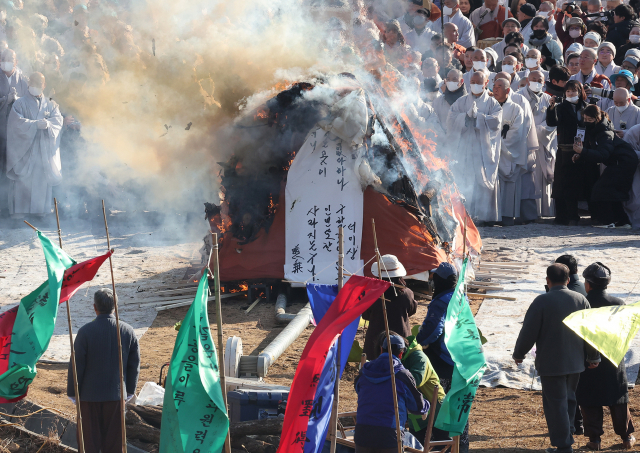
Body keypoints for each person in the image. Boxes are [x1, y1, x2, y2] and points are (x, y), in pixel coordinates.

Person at [513, 263, 600, 453]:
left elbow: (528, 332)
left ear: (547, 280)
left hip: (551, 364)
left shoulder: (541, 301)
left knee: (556, 405)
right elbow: (590, 331)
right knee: (569, 400)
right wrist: (594, 356)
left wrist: (519, 353)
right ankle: (566, 438)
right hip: (576, 363)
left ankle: (563, 446)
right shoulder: (581, 299)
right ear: (568, 280)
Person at [67, 289, 140, 453]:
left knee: (89, 443)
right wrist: (129, 392)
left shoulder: (85, 332)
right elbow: (134, 365)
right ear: (115, 306)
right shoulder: (127, 331)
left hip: (88, 397)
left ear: (95, 307)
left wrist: (73, 393)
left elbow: (76, 364)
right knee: (114, 443)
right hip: (116, 396)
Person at [577, 262, 636, 451]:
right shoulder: (618, 303)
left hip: (587, 361)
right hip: (613, 359)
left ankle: (594, 440)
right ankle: (627, 437)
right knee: (618, 398)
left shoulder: (582, 304)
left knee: (589, 398)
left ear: (588, 284)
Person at [417, 262, 471, 453]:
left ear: (440, 281)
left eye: (435, 279)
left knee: (440, 403)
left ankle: (442, 445)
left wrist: (418, 340)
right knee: (459, 406)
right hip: (463, 361)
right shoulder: (462, 297)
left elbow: (433, 330)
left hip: (444, 361)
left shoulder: (441, 301)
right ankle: (461, 446)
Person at [354, 332, 429, 453]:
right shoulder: (401, 375)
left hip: (362, 434)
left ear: (381, 349)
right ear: (401, 353)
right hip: (389, 436)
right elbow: (418, 407)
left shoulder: (365, 371)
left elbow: (358, 389)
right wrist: (427, 405)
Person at [447, 70, 502, 224]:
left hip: (482, 150)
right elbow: (450, 120)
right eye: (473, 82)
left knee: (481, 180)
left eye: (479, 83)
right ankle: (464, 213)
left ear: (486, 83)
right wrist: (465, 117)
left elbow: (496, 122)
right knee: (463, 177)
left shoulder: (492, 103)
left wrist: (479, 118)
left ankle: (484, 216)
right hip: (464, 148)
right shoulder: (461, 101)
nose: (475, 85)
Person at [6, 72, 63, 218]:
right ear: (28, 84)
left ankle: (40, 212)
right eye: (32, 83)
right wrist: (35, 125)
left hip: (43, 149)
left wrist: (48, 124)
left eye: (38, 84)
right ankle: (19, 213)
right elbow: (15, 123)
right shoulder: (19, 103)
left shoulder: (51, 103)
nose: (35, 86)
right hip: (24, 148)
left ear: (44, 85)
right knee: (23, 179)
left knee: (41, 178)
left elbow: (58, 121)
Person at [572, 104, 639, 227]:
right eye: (585, 119)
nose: (586, 122)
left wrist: (583, 152)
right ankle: (622, 222)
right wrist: (581, 155)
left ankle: (608, 221)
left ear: (597, 119)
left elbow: (603, 154)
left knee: (601, 190)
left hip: (622, 162)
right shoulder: (596, 130)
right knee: (611, 192)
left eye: (589, 120)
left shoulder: (605, 132)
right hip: (621, 162)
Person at [546, 80, 599, 225]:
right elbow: (552, 122)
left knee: (588, 183)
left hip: (585, 150)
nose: (571, 94)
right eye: (568, 91)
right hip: (566, 150)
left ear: (580, 92)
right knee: (566, 186)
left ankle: (595, 215)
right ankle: (568, 216)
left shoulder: (587, 107)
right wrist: (551, 108)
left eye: (574, 91)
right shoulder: (561, 107)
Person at [494, 77, 533, 225]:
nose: (495, 89)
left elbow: (517, 133)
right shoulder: (490, 106)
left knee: (509, 187)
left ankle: (507, 217)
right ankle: (492, 216)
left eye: (499, 86)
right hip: (490, 154)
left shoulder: (516, 108)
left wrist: (498, 143)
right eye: (494, 86)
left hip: (508, 154)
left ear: (508, 90)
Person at [362, 255, 417, 360]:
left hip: (376, 341)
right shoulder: (407, 293)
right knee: (399, 370)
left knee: (375, 370)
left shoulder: (371, 293)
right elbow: (411, 310)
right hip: (400, 340)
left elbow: (365, 315)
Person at [518, 70, 557, 217]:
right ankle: (527, 213)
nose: (536, 82)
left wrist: (538, 131)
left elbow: (552, 123)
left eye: (539, 80)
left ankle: (544, 211)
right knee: (527, 179)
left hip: (543, 144)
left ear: (544, 82)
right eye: (533, 79)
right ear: (528, 80)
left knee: (542, 178)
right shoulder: (519, 97)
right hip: (524, 144)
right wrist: (531, 131)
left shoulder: (548, 99)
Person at [401, 334, 446, 445]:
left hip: (435, 407)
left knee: (441, 446)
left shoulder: (418, 357)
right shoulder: (399, 359)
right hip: (416, 411)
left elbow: (416, 380)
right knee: (416, 446)